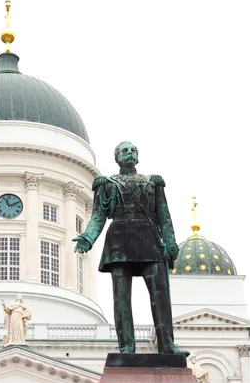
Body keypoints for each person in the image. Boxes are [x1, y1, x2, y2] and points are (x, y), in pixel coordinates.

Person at [73, 141, 188, 356]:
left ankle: (167, 345)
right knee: (121, 298)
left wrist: (170, 242)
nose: (129, 153)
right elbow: (98, 216)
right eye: (124, 151)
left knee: (160, 295)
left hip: (149, 239)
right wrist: (87, 238)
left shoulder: (153, 184)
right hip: (119, 241)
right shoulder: (107, 184)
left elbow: (164, 216)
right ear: (117, 158)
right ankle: (126, 347)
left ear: (137, 156)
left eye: (133, 150)